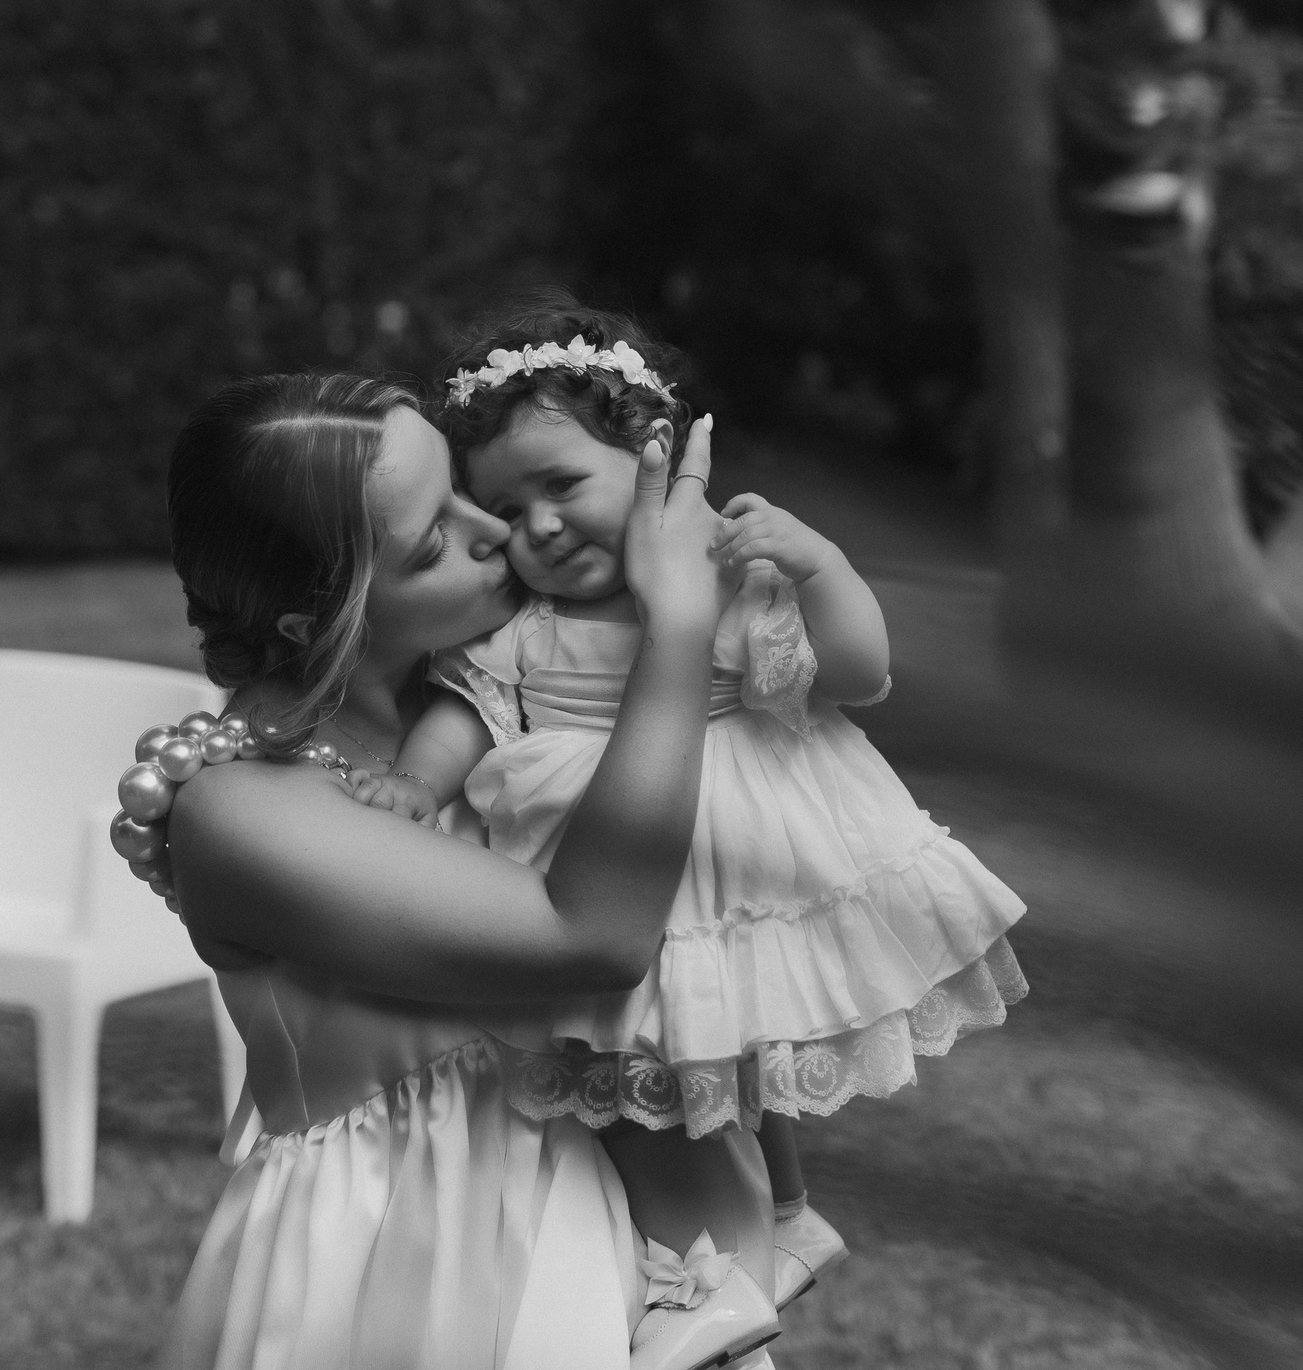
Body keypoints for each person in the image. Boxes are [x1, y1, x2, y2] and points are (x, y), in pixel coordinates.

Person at [346, 299, 1028, 1364]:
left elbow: (861, 675)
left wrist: (821, 567)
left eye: (562, 484)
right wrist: (413, 783)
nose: (538, 526)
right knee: (660, 1062)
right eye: (505, 508)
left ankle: (713, 1264)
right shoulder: (523, 624)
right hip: (600, 866)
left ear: (652, 454)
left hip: (726, 845)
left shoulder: (726, 574)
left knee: (723, 1045)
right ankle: (768, 1228)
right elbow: (464, 712)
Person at [140, 371, 772, 1370]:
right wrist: (679, 627)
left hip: (618, 1215)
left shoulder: (510, 697)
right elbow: (594, 937)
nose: (495, 530)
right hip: (401, 1254)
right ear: (313, 619)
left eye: (464, 489)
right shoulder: (244, 807)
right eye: (433, 540)